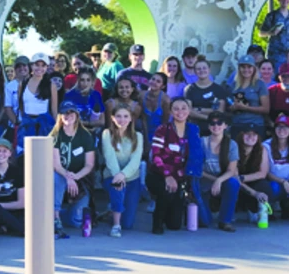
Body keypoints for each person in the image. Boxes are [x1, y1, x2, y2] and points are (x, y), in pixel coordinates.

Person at [148, 98, 204, 233]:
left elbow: (196, 156)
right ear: (171, 111)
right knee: (166, 190)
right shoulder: (162, 129)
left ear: (189, 111)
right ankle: (157, 221)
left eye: (184, 108)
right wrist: (167, 175)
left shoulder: (193, 130)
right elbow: (156, 156)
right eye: (176, 108)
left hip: (181, 177)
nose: (180, 112)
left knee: (174, 225)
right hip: (159, 174)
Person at [52, 101, 96, 234]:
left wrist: (76, 177)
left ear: (77, 115)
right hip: (60, 173)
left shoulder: (85, 135)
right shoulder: (55, 135)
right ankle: (55, 217)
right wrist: (68, 177)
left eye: (72, 113)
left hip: (80, 176)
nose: (68, 115)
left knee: (77, 221)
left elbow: (89, 164)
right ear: (60, 115)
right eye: (65, 113)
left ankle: (62, 214)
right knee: (55, 178)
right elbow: (55, 164)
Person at [102, 103, 143, 236]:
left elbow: (136, 161)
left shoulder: (138, 136)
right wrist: (118, 176)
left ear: (131, 118)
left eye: (126, 116)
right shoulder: (107, 134)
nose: (122, 119)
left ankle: (111, 212)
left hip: (132, 179)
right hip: (112, 177)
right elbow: (109, 158)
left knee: (128, 224)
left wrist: (123, 174)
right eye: (118, 116)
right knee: (117, 187)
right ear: (112, 118)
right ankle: (116, 225)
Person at [196, 113, 239, 232]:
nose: (216, 126)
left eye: (219, 123)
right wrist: (215, 181)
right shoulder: (201, 142)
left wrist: (219, 181)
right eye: (212, 123)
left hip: (223, 181)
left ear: (225, 125)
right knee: (205, 222)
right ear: (209, 126)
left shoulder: (232, 144)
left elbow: (232, 171)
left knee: (233, 183)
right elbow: (197, 170)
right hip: (203, 183)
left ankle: (225, 221)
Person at [0, 137, 25, 236]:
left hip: (15, 212)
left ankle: (6, 227)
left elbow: (22, 203)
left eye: (4, 151)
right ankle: (19, 230)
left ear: (10, 153)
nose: (1, 154)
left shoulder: (18, 172)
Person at [16, 54, 58, 150]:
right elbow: (21, 105)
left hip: (45, 124)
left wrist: (56, 129)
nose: (39, 68)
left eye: (43, 65)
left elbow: (54, 110)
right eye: (37, 65)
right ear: (31, 66)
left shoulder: (51, 85)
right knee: (25, 155)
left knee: (43, 154)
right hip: (26, 124)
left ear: (47, 67)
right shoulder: (22, 84)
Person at [228, 54, 269, 136]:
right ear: (239, 68)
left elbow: (266, 109)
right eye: (243, 67)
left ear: (254, 68)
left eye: (249, 67)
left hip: (255, 124)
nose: (246, 69)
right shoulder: (233, 85)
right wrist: (233, 107)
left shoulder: (260, 84)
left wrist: (245, 108)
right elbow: (228, 107)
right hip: (237, 124)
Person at [183, 56, 228, 129]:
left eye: (204, 68)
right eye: (198, 69)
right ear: (195, 71)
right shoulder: (190, 89)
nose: (201, 70)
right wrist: (208, 117)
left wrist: (199, 109)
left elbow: (220, 111)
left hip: (214, 128)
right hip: (194, 128)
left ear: (209, 70)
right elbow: (189, 112)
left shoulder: (218, 89)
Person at [139, 72, 171, 148]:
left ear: (163, 86)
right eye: (153, 79)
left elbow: (165, 122)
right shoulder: (141, 95)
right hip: (144, 130)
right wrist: (146, 140)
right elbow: (143, 119)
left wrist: (160, 139)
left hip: (160, 132)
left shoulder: (165, 100)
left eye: (158, 81)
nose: (154, 82)